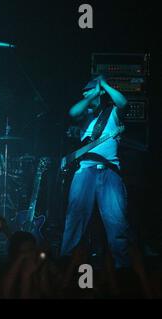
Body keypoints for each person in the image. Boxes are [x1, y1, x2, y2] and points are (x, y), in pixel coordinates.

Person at [60, 75, 133, 268]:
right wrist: (90, 97)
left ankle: (122, 266)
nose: (84, 95)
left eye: (88, 91)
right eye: (83, 93)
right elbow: (73, 111)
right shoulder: (85, 115)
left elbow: (123, 102)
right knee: (75, 216)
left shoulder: (113, 112)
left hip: (109, 170)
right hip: (85, 169)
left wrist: (105, 86)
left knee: (115, 220)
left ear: (99, 92)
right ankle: (67, 261)